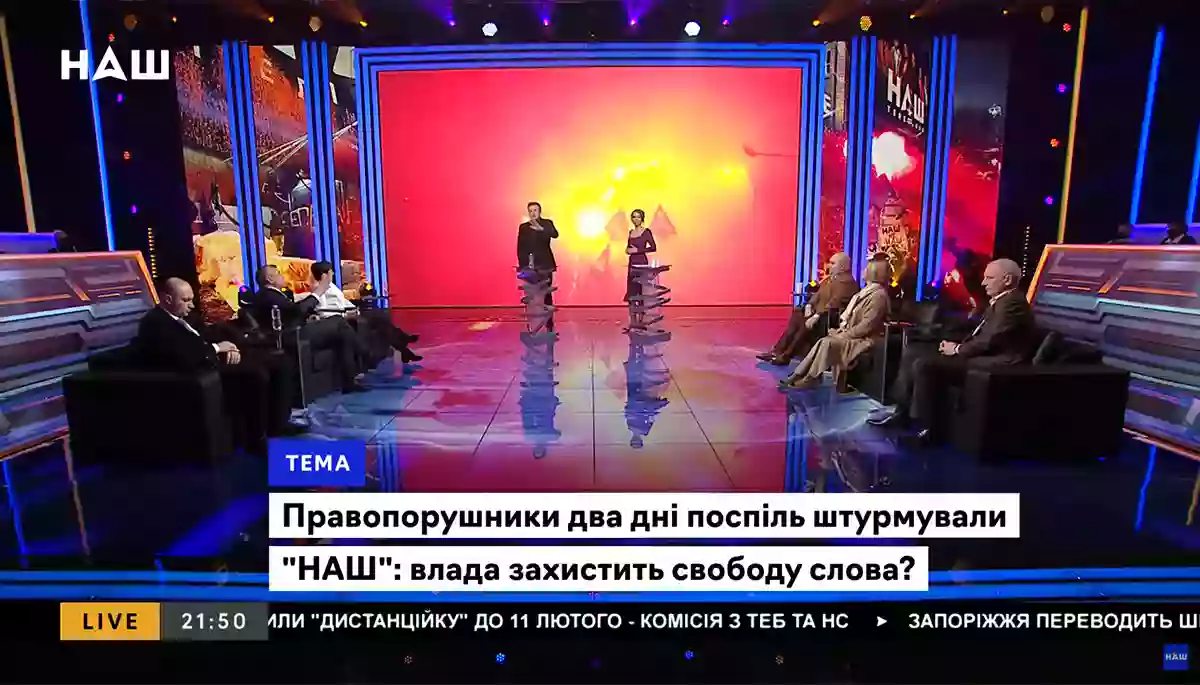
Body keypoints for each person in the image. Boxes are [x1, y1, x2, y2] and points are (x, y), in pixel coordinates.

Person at [868, 258, 1039, 443]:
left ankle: (929, 431)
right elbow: (979, 331)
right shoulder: (1002, 301)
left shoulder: (1012, 303)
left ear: (1007, 280)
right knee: (914, 352)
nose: (983, 283)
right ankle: (901, 412)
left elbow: (991, 339)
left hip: (997, 363)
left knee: (925, 365)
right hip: (983, 354)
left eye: (989, 278)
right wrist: (952, 341)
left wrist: (957, 349)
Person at [132, 278, 299, 451]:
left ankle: (278, 424)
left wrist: (230, 346)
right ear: (167, 299)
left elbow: (210, 333)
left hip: (215, 358)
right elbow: (183, 354)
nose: (191, 305)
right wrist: (218, 348)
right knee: (256, 374)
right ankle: (256, 439)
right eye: (185, 300)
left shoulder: (187, 316)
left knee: (282, 362)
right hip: (199, 371)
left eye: (191, 299)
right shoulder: (155, 323)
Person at [778, 259, 892, 392]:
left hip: (864, 339)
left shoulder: (878, 296)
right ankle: (800, 374)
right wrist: (840, 331)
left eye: (867, 268)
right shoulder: (866, 292)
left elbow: (866, 327)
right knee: (823, 341)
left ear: (874, 272)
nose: (863, 270)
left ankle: (810, 377)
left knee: (827, 342)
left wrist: (843, 334)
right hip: (853, 334)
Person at [251, 264, 366, 394]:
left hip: (296, 330)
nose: (282, 276)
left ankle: (350, 379)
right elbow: (297, 310)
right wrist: (319, 291)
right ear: (270, 279)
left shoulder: (272, 295)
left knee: (343, 333)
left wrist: (308, 318)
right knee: (338, 322)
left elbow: (290, 314)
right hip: (291, 336)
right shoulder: (268, 295)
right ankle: (364, 353)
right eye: (278, 273)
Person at [306, 260, 422, 364]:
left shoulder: (331, 286)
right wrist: (346, 314)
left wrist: (353, 308)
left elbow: (342, 301)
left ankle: (405, 349)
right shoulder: (319, 289)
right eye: (331, 272)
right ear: (324, 275)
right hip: (341, 320)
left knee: (381, 320)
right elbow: (323, 312)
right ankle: (404, 346)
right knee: (379, 322)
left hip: (350, 313)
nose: (333, 274)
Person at [758, 252, 859, 365]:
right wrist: (809, 305)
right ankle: (777, 351)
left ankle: (787, 355)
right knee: (798, 314)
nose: (829, 266)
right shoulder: (830, 279)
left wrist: (816, 315)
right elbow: (817, 295)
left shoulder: (848, 283)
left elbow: (834, 303)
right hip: (818, 313)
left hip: (829, 319)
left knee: (805, 322)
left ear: (843, 266)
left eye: (833, 263)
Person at [517, 201, 559, 332]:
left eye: (535, 210)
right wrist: (522, 265)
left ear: (539, 211)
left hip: (545, 264)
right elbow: (520, 247)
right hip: (530, 265)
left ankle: (549, 326)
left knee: (546, 295)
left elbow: (555, 234)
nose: (533, 213)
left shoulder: (547, 224)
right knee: (531, 296)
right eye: (530, 211)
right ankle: (532, 327)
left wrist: (541, 229)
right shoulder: (524, 227)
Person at [624, 209, 657, 326]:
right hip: (632, 263)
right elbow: (629, 247)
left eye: (638, 217)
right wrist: (627, 250)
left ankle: (641, 321)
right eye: (633, 217)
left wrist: (638, 250)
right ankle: (633, 321)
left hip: (641, 263)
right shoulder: (631, 232)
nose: (636, 219)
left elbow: (653, 247)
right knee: (631, 291)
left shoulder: (646, 232)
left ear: (642, 218)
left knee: (640, 291)